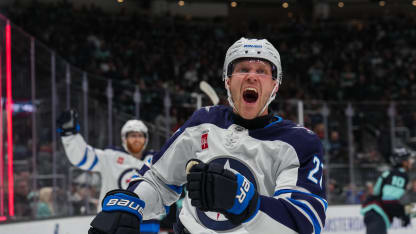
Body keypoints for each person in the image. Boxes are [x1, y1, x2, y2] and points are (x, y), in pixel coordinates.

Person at [88, 37, 327, 234]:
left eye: (262, 71)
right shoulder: (203, 121)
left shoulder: (299, 143)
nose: (251, 76)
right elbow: (159, 179)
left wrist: (248, 204)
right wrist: (130, 204)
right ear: (227, 80)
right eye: (242, 69)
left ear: (275, 85)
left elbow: (305, 223)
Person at [57, 110, 160, 234]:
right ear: (124, 138)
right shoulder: (110, 157)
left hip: (147, 224)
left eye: (140, 136)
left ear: (146, 139)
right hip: (113, 222)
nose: (136, 139)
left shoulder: (155, 161)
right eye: (132, 136)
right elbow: (83, 157)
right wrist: (70, 135)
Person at [361, 147, 413, 234]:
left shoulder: (390, 173)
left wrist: (407, 213)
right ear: (403, 162)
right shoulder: (399, 175)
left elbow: (376, 192)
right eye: (409, 159)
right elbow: (389, 201)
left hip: (373, 213)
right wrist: (404, 214)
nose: (412, 162)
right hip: (377, 213)